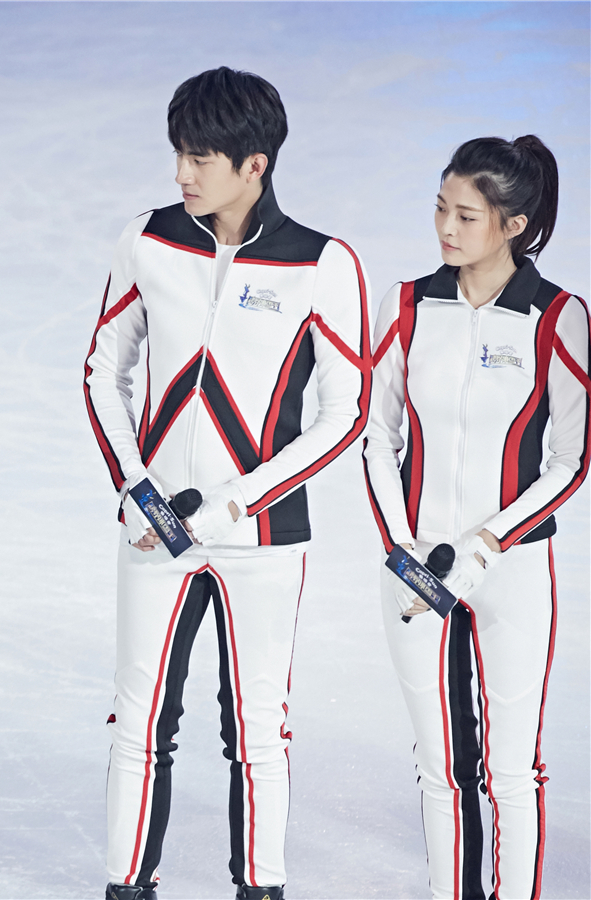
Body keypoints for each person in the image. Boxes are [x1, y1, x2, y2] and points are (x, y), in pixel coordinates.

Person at [83, 67, 371, 900]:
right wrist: (136, 486)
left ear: (255, 164)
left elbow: (345, 414)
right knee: (138, 724)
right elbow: (103, 371)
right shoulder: (148, 239)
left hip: (262, 541)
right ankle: (127, 888)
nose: (182, 172)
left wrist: (234, 503)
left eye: (200, 157)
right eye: (178, 152)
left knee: (257, 733)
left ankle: (259, 890)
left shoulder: (321, 263)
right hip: (156, 533)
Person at [362, 135, 585, 900]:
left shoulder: (556, 317)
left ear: (513, 225)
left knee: (510, 771)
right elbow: (376, 435)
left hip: (512, 572)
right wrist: (402, 548)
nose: (445, 229)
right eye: (440, 209)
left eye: (466, 216)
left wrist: (488, 543)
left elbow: (571, 460)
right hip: (416, 568)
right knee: (439, 767)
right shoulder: (406, 305)